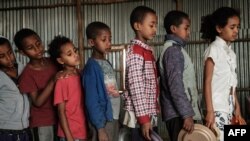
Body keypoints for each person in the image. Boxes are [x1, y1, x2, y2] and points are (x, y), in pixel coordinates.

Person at [157, 10, 202, 141]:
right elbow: (175, 86)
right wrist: (187, 114)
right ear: (173, 28)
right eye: (186, 28)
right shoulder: (173, 51)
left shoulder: (174, 49)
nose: (189, 32)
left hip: (180, 113)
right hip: (179, 115)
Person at [200, 7, 244, 141]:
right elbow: (206, 82)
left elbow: (232, 85)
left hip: (230, 107)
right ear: (219, 28)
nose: (236, 31)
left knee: (238, 135)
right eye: (232, 27)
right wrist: (210, 111)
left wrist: (238, 108)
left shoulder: (232, 53)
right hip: (217, 108)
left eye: (238, 27)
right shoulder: (213, 50)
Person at [14, 28, 57, 141]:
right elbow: (37, 102)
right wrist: (53, 81)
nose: (37, 49)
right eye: (30, 48)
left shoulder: (53, 62)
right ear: (23, 52)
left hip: (60, 117)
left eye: (38, 44)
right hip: (42, 122)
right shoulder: (27, 75)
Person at [123, 6, 159, 141]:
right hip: (141, 117)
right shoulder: (136, 53)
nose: (155, 29)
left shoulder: (146, 51)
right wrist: (143, 119)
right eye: (151, 25)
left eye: (155, 25)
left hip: (148, 114)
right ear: (138, 26)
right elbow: (136, 88)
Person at [82, 21, 120, 141]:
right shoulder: (91, 68)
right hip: (102, 121)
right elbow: (91, 100)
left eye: (110, 39)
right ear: (92, 42)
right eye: (104, 40)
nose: (108, 43)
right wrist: (100, 128)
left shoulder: (107, 63)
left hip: (113, 117)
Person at [48, 35, 88, 141]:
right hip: (70, 133)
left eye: (75, 51)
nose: (75, 55)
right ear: (61, 60)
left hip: (82, 130)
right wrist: (69, 136)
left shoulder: (81, 75)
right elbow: (61, 111)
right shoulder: (62, 80)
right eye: (70, 54)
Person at [0, 36, 31, 141]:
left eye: (10, 53)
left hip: (25, 129)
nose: (9, 58)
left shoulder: (23, 69)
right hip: (4, 130)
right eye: (2, 56)